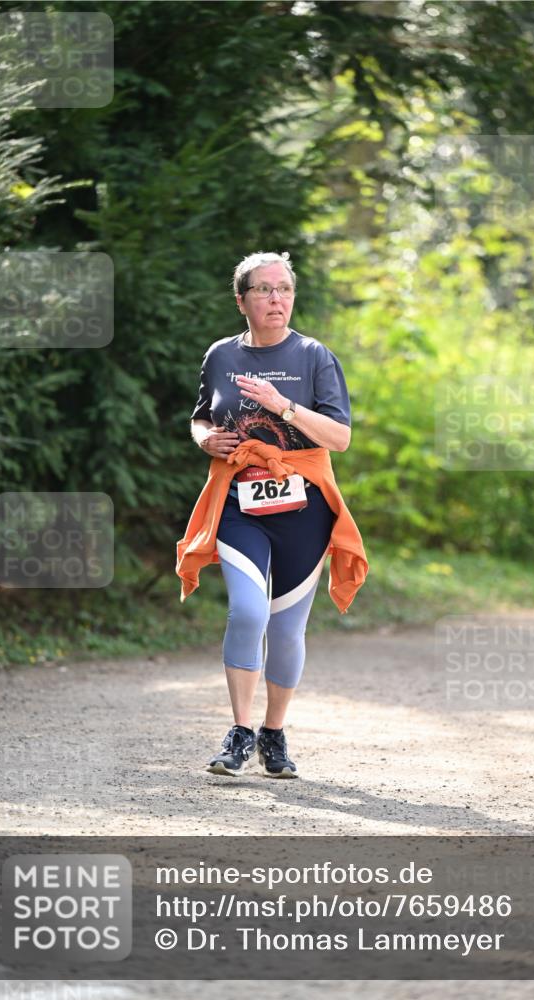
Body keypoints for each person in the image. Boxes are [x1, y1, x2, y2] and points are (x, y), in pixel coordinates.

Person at [176, 251, 368, 779]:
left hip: (304, 509)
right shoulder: (220, 355)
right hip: (239, 503)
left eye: (284, 289)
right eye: (263, 289)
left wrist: (282, 406)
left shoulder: (314, 356)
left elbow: (340, 438)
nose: (276, 298)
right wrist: (205, 440)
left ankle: (273, 734)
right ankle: (239, 732)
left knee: (285, 629)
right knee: (247, 612)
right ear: (242, 301)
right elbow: (200, 417)